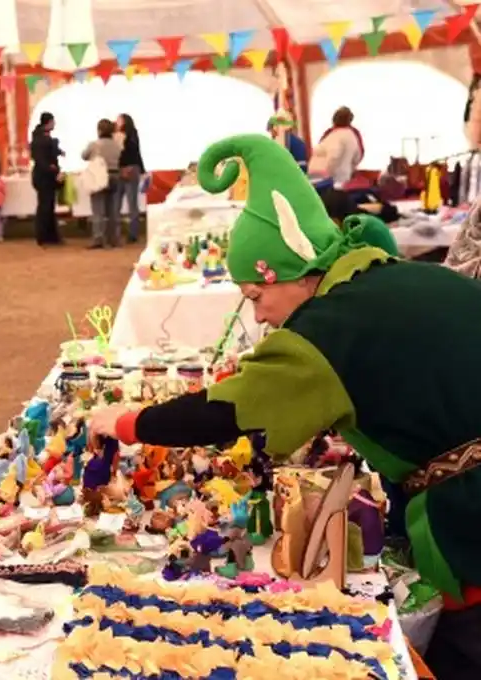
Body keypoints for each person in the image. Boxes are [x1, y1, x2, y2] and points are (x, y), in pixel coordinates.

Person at [88, 132, 481, 680]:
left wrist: (128, 422)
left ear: (290, 271)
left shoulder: (327, 329)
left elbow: (227, 411)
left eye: (256, 297)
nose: (260, 317)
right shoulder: (394, 277)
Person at [81, 118, 121, 249]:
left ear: (99, 130)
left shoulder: (94, 145)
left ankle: (98, 238)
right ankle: (113, 238)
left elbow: (84, 156)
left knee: (98, 210)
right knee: (112, 210)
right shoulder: (117, 145)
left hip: (99, 177)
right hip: (114, 176)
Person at [308, 106, 363, 190]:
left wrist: (326, 176)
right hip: (342, 178)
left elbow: (334, 157)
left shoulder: (336, 136)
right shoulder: (352, 135)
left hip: (326, 182)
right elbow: (357, 157)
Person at [31, 111, 63, 246]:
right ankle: (44, 236)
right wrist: (52, 168)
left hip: (45, 176)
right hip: (44, 177)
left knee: (48, 206)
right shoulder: (41, 139)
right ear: (48, 122)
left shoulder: (39, 137)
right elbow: (41, 159)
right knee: (45, 206)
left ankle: (49, 235)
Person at [115, 113, 146, 243]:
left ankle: (116, 233)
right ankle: (133, 233)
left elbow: (122, 153)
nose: (116, 122)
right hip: (133, 168)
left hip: (122, 169)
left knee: (117, 203)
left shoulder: (120, 136)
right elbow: (136, 153)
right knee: (132, 203)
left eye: (118, 120)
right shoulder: (133, 134)